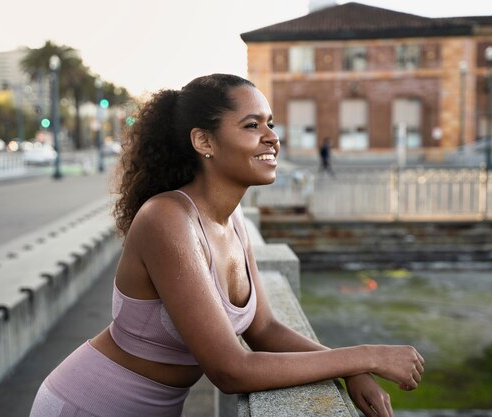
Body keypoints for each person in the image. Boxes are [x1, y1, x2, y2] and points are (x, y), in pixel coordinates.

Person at [29, 74, 424, 417]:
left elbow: (264, 329)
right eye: (252, 125)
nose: (272, 137)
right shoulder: (166, 219)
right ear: (204, 141)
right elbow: (230, 370)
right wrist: (367, 355)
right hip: (90, 405)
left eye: (270, 123)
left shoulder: (233, 222)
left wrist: (348, 370)